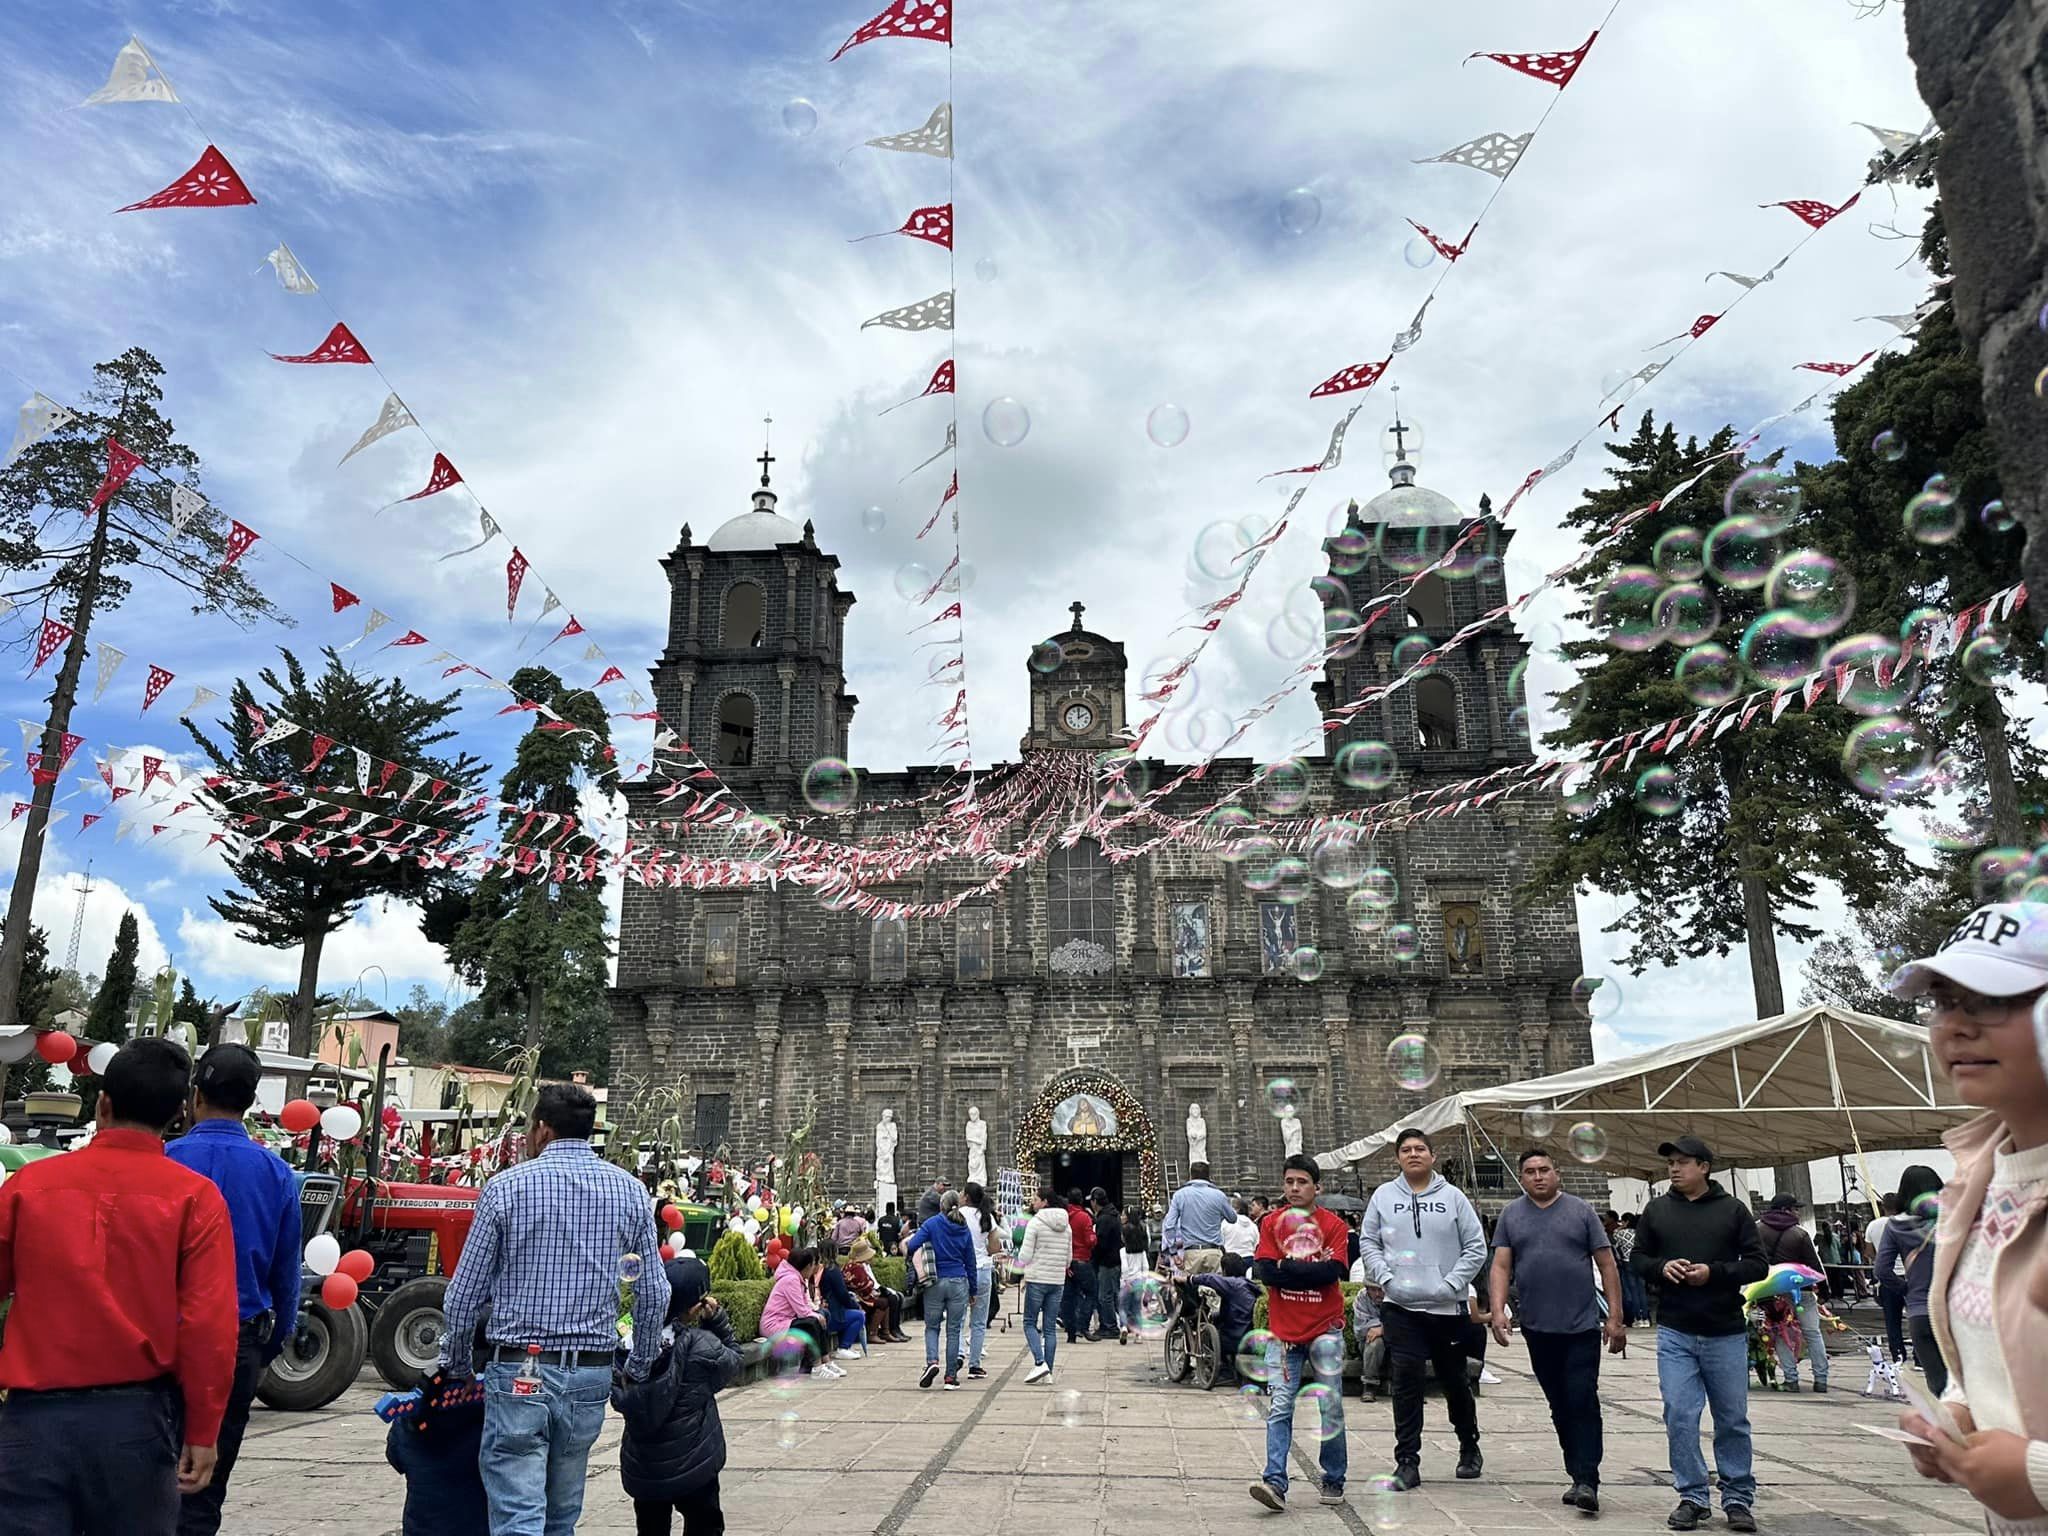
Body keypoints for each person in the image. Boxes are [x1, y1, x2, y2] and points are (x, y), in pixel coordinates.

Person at [0, 1037, 238, 1535]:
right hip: (135, 1424)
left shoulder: (26, 1187)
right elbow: (209, 1327)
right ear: (178, 1114)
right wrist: (203, 1430)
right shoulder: (195, 1199)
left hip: (31, 1422)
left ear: (102, 1104)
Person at [438, 1082, 672, 1533]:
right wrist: (638, 1365)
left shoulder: (506, 1188)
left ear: (542, 1130)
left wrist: (458, 1363)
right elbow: (654, 1293)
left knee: (518, 1514)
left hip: (520, 1373)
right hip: (590, 1374)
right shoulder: (629, 1192)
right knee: (561, 1517)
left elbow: (464, 1292)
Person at [1889, 905, 2048, 1525]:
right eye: (1942, 1001)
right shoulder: (1977, 1180)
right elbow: (1999, 1356)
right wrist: (1959, 1411)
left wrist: (2036, 1474)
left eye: (1987, 1001)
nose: (1953, 1026)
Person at [164, 1042, 304, 1536]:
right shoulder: (277, 1173)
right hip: (237, 1343)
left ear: (195, 1095)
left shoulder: (167, 1159)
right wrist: (269, 1342)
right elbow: (287, 1274)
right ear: (250, 1102)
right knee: (205, 1489)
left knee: (147, 1483)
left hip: (162, 1342)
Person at [1629, 1135, 1767, 1533]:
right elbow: (1638, 1259)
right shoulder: (1656, 1211)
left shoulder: (1733, 1210)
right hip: (1675, 1330)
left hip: (1724, 1331)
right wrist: (1661, 1268)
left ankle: (1738, 1497)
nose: (1674, 1168)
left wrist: (1715, 1272)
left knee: (1732, 1419)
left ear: (1704, 1167)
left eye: (1683, 1162)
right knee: (1680, 1414)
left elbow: (1758, 1264)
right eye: (1671, 1162)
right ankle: (1692, 1495)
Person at [1489, 1149, 1627, 1516]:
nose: (1538, 1176)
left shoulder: (1581, 1212)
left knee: (1582, 1397)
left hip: (1581, 1326)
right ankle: (1576, 1473)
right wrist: (1499, 1309)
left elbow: (1607, 1264)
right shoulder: (1511, 1215)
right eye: (1530, 1171)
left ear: (1557, 1173)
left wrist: (1615, 1317)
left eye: (1544, 1170)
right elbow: (1501, 1265)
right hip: (1537, 1327)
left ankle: (1588, 1479)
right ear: (1521, 1177)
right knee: (1559, 1403)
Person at [1359, 1127, 1488, 1492]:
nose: (1413, 1154)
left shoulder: (1453, 1197)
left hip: (1447, 1309)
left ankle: (1468, 1444)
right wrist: (1384, 1277)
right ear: (1397, 1158)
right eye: (1406, 1150)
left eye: (1420, 1149)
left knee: (1453, 1381)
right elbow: (1369, 1240)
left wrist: (1451, 1284)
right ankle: (1407, 1460)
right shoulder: (1383, 1197)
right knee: (1406, 1381)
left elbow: (1476, 1246)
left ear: (1432, 1156)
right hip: (1401, 1307)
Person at [1248, 1153, 1351, 1513]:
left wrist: (1286, 1266)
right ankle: (1275, 1482)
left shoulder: (1334, 1225)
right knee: (1279, 1407)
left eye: (1302, 1182)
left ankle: (1334, 1476)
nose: (1294, 1188)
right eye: (1289, 1181)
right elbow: (1264, 1272)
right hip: (1283, 1333)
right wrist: (1299, 1268)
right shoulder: (1271, 1223)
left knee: (1331, 1404)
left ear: (1316, 1187)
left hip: (1325, 1330)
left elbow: (1332, 1273)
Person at [612, 1255, 742, 1536]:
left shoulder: (625, 1340)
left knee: (651, 1529)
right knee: (704, 1525)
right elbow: (733, 1363)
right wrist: (717, 1321)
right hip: (694, 1464)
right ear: (695, 1307)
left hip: (644, 1466)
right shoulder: (701, 1345)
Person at [1875, 1164, 1945, 1397]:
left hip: (1920, 1311)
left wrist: (1906, 1289)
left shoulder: (1894, 1225)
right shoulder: (1952, 1219)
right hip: (1955, 1310)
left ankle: (1946, 1429)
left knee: (1937, 1385)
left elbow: (1881, 1270)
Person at [904, 1189, 979, 1390]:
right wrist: (973, 1290)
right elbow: (970, 1261)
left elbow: (912, 1245)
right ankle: (950, 1376)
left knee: (932, 1326)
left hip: (936, 1281)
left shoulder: (932, 1224)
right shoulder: (963, 1227)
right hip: (959, 1281)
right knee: (954, 1330)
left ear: (940, 1206)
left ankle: (932, 1362)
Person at [1756, 1193, 1829, 1393]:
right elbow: (1814, 1265)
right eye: (1795, 1208)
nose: (1797, 1211)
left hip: (1772, 1292)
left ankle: (1791, 1379)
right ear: (1786, 1210)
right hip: (1801, 1289)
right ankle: (1820, 1379)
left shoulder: (1757, 1229)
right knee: (1813, 1333)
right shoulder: (1799, 1234)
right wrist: (1824, 1290)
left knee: (1781, 1333)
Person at [1016, 1184, 1072, 1383]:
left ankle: (1040, 1363)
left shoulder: (1035, 1223)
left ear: (1044, 1202)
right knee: (1049, 1329)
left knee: (1029, 1322)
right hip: (1057, 1280)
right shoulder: (1066, 1224)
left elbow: (1024, 1255)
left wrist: (1016, 1260)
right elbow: (1068, 1259)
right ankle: (1048, 1372)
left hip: (1038, 1278)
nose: (1033, 1203)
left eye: (1035, 1199)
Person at [761, 1246, 840, 1377]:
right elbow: (802, 1311)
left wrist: (817, 1314)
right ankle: (817, 1367)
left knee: (816, 1320)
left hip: (786, 1321)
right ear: (808, 1265)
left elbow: (805, 1307)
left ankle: (824, 1362)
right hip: (774, 1325)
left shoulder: (797, 1279)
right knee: (811, 1323)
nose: (815, 1267)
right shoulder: (790, 1280)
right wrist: (816, 1316)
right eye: (814, 1264)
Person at [1161, 1161, 1235, 1274]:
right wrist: (1218, 1216)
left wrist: (1173, 1252)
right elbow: (1232, 1218)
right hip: (1213, 1251)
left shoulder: (1180, 1195)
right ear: (1208, 1176)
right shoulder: (1219, 1195)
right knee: (1215, 1289)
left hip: (1191, 1253)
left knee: (1190, 1289)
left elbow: (1169, 1225)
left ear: (1191, 1175)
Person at [1195, 1251, 1258, 1377]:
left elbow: (1210, 1278)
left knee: (1206, 1336)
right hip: (1250, 1337)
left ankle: (1224, 1369)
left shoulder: (1232, 1284)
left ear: (1225, 1270)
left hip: (1236, 1338)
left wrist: (1190, 1279)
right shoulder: (1247, 1284)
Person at [1865, 1192, 1908, 1363]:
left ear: (1883, 1207)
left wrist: (1881, 1259)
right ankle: (1921, 1357)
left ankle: (1898, 1354)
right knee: (1915, 1316)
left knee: (1892, 1320)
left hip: (1887, 1277)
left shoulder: (1873, 1226)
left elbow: (1868, 1253)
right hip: (1908, 1275)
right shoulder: (1906, 1224)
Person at [963, 1182, 998, 1377]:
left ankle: (959, 1353)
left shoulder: (958, 1215)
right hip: (983, 1269)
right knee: (978, 1321)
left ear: (966, 1197)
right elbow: (994, 1248)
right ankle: (974, 1364)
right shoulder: (988, 1217)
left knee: (958, 1319)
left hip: (962, 1269)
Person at [844, 1237, 908, 1343]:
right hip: (859, 1298)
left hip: (861, 1295)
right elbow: (864, 1286)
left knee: (887, 1299)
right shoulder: (857, 1268)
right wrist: (874, 1293)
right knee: (883, 1302)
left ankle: (885, 1332)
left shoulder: (852, 1265)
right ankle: (872, 1333)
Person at [817, 1240, 865, 1359]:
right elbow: (842, 1294)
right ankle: (844, 1346)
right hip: (833, 1313)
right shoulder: (833, 1270)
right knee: (859, 1316)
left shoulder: (819, 1269)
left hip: (824, 1309)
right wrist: (855, 1305)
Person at [1061, 1187, 1097, 1344]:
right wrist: (1094, 1238)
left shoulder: (1063, 1217)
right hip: (1082, 1260)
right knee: (1091, 1293)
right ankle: (1082, 1325)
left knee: (1069, 1297)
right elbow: (1090, 1240)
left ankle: (1070, 1330)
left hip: (1066, 1262)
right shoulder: (1084, 1217)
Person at [1089, 1188, 1124, 1343]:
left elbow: (1101, 1243)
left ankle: (1110, 1326)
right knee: (1111, 1294)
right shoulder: (1113, 1215)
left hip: (1107, 1262)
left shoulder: (1104, 1219)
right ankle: (1112, 1324)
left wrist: (1093, 1258)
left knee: (1105, 1296)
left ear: (1095, 1202)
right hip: (1114, 1260)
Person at [1119, 1205, 1151, 1341]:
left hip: (1127, 1281)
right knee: (1137, 1308)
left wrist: (1125, 1280)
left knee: (1123, 1306)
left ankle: (1124, 1327)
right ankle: (1138, 1334)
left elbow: (1125, 1268)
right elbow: (1146, 1267)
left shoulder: (1123, 1251)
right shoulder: (1142, 1252)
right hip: (1139, 1280)